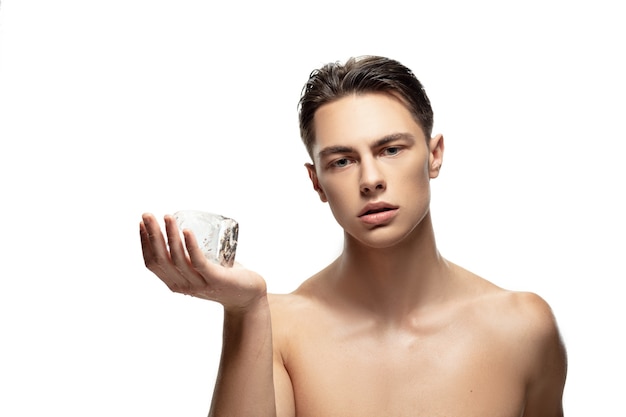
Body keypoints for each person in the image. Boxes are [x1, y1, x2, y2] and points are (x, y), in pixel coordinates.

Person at [139, 55, 567, 416]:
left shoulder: (524, 327)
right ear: (317, 183)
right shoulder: (279, 327)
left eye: (391, 150)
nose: (371, 179)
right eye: (343, 161)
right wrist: (245, 311)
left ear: (434, 156)